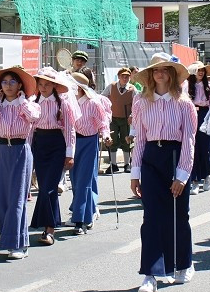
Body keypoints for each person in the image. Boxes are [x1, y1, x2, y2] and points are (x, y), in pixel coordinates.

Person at [129, 54, 197, 292]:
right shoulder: (140, 103)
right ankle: (150, 273)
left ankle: (183, 263)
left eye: (165, 70)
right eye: (155, 70)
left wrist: (182, 175)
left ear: (171, 75)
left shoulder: (184, 103)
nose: (159, 74)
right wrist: (134, 172)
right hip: (150, 158)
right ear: (149, 75)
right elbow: (140, 140)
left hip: (174, 155)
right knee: (151, 217)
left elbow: (189, 139)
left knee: (178, 215)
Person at [0, 66, 40, 258]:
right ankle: (8, 238)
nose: (8, 86)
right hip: (2, 150)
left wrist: (22, 100)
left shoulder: (28, 103)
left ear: (20, 85)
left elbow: (33, 117)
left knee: (17, 198)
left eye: (12, 82)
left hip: (20, 149)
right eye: (4, 82)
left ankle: (18, 243)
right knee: (2, 197)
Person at [28, 68, 77, 245]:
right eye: (40, 84)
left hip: (57, 144)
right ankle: (47, 225)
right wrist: (28, 150)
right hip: (39, 144)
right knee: (42, 187)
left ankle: (49, 228)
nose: (43, 87)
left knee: (50, 187)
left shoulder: (63, 103)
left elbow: (70, 128)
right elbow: (30, 128)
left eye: (47, 84)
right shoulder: (33, 101)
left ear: (54, 85)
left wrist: (69, 153)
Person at [68, 72, 110, 234]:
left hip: (89, 142)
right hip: (72, 142)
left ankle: (81, 219)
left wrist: (106, 136)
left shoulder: (93, 103)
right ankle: (89, 209)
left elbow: (103, 122)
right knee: (75, 179)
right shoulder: (69, 102)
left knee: (85, 179)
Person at [186, 63, 210, 196]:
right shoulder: (186, 86)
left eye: (202, 70)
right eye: (198, 70)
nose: (200, 72)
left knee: (206, 148)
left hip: (206, 115)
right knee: (193, 148)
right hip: (191, 115)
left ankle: (207, 176)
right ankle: (194, 180)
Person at [103, 67, 134, 174]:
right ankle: (113, 164)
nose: (125, 79)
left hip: (126, 119)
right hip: (113, 118)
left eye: (127, 77)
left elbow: (137, 104)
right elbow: (103, 97)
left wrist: (132, 114)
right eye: (123, 76)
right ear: (119, 76)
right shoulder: (111, 86)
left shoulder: (132, 89)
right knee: (113, 140)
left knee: (126, 140)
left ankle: (127, 164)